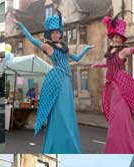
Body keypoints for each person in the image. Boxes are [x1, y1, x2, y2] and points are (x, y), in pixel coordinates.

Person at [12, 12, 93, 154]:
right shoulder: (48, 47)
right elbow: (31, 39)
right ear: (50, 34)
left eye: (57, 32)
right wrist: (21, 26)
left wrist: (85, 49)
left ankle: (68, 142)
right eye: (53, 33)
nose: (55, 35)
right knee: (59, 109)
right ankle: (57, 143)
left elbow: (77, 58)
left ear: (60, 33)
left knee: (67, 110)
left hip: (67, 79)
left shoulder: (64, 48)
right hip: (57, 78)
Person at [92, 15, 134, 153]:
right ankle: (115, 147)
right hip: (112, 86)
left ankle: (125, 148)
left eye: (119, 38)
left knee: (119, 118)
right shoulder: (111, 52)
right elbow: (109, 65)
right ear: (112, 37)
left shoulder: (123, 51)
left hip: (121, 86)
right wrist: (98, 65)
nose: (116, 39)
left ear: (122, 40)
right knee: (114, 119)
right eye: (115, 37)